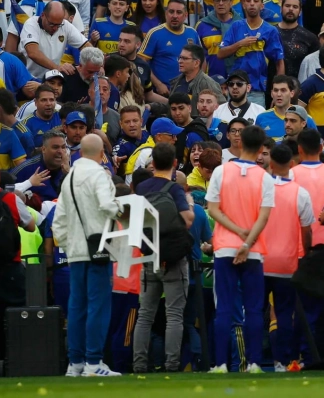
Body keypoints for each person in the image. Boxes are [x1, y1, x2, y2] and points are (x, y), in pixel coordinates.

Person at [53, 134, 124, 377]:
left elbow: (59, 221)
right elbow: (106, 205)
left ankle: (75, 363)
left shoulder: (69, 178)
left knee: (77, 306)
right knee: (98, 305)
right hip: (97, 249)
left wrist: (69, 243)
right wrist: (120, 208)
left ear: (80, 152)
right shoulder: (98, 174)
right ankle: (94, 363)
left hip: (75, 250)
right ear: (102, 153)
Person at [205, 125, 275, 374]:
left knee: (224, 307)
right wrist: (247, 241)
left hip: (224, 247)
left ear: (240, 142)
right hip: (253, 250)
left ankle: (221, 364)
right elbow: (264, 217)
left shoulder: (221, 172)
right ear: (260, 150)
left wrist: (236, 232)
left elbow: (213, 209)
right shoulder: (265, 177)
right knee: (254, 308)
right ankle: (255, 362)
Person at [132, 143, 194, 374]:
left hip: (149, 255)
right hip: (173, 257)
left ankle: (139, 364)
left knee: (145, 315)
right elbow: (187, 220)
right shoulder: (174, 189)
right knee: (174, 315)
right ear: (175, 164)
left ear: (153, 163)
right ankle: (171, 365)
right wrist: (189, 205)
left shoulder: (141, 188)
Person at [263, 143, 314, 372]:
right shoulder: (300, 193)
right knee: (285, 312)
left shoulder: (260, 189)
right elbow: (307, 230)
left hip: (261, 260)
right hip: (288, 262)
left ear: (271, 164)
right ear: (292, 165)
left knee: (255, 310)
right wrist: (306, 253)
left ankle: (252, 359)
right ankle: (282, 361)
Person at [0, 157, 36, 378]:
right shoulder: (10, 199)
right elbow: (31, 226)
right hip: (11, 269)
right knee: (20, 317)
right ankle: (21, 363)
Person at [218, 0, 285, 104]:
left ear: (262, 5)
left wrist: (278, 90)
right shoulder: (235, 26)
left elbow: (279, 61)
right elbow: (220, 54)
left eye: (256, 0)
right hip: (235, 89)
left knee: (255, 123)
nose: (252, 4)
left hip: (257, 91)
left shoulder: (270, 30)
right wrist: (239, 44)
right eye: (248, 0)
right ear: (243, 5)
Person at [19, 1, 90, 78]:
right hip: (28, 77)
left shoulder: (65, 25)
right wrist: (58, 68)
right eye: (51, 24)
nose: (55, 28)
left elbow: (86, 45)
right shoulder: (31, 24)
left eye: (59, 25)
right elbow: (33, 53)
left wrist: (98, 63)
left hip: (51, 78)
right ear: (43, 15)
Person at [255, 75, 316, 141]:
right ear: (272, 94)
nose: (279, 94)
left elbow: (317, 148)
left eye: (283, 90)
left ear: (292, 93)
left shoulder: (306, 119)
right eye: (276, 90)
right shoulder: (262, 118)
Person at [169, 44, 226, 114]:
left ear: (196, 63)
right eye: (180, 58)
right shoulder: (176, 82)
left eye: (185, 58)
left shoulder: (207, 83)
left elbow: (222, 109)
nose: (180, 61)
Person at [277, 0, 319, 79]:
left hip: (299, 88)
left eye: (295, 7)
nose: (291, 9)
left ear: (300, 12)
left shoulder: (310, 38)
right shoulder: (271, 33)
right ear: (281, 9)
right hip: (272, 89)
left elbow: (315, 68)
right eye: (287, 6)